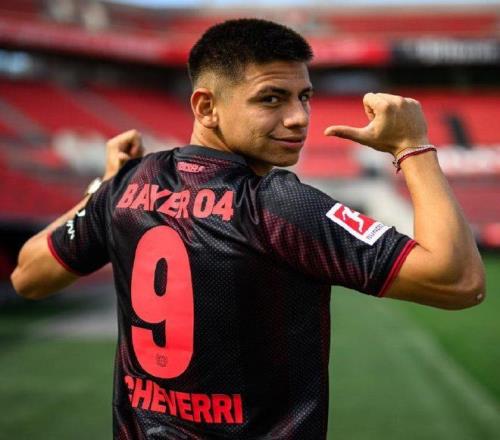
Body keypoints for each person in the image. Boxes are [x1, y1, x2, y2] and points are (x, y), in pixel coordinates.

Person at [11, 18, 485, 440]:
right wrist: (412, 146)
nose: (298, 118)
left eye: (304, 97)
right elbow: (459, 282)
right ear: (206, 107)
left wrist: (103, 185)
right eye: (271, 99)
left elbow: (28, 276)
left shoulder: (127, 185)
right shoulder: (279, 204)